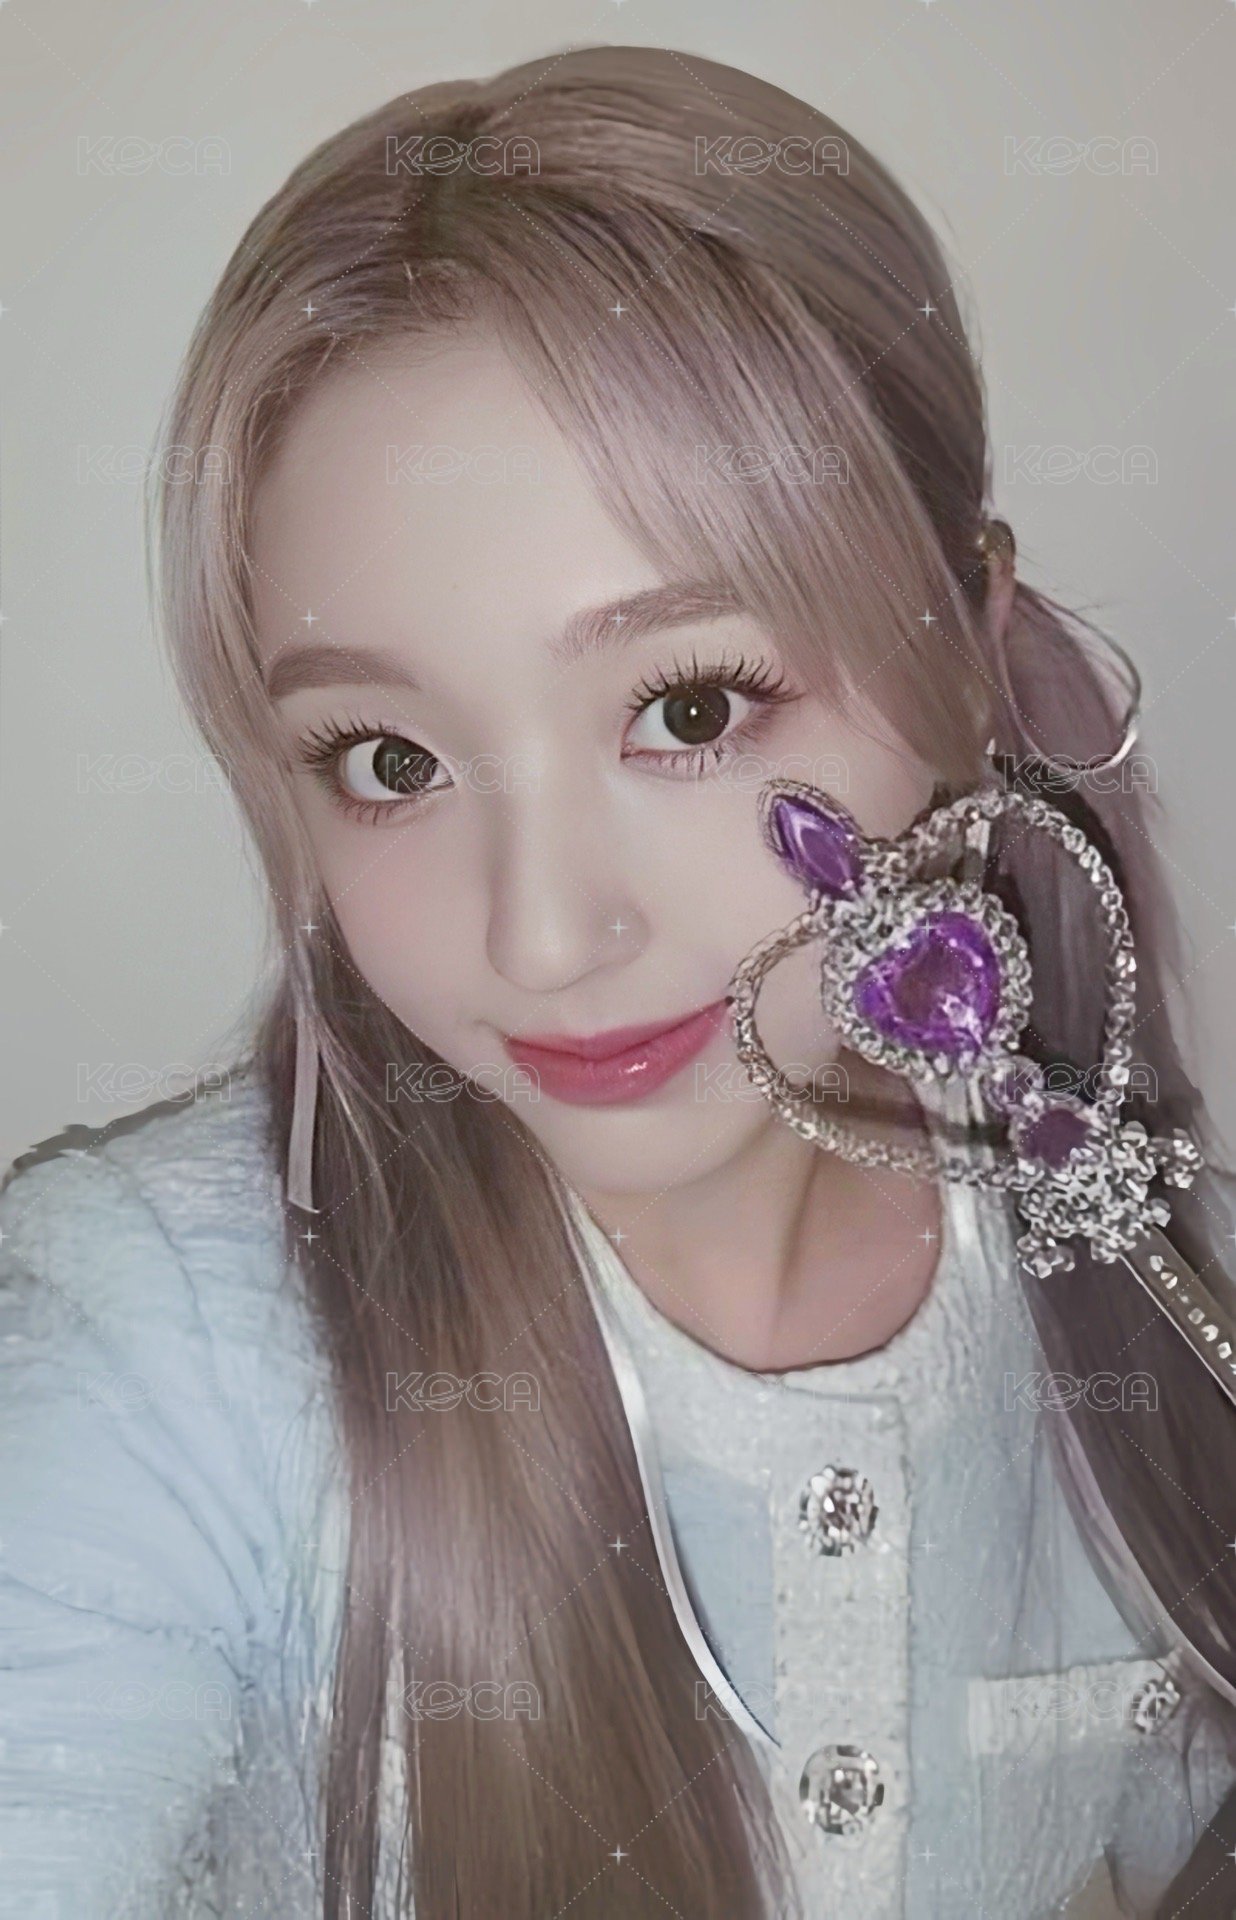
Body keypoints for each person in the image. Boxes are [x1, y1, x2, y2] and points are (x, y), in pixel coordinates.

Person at [3, 44, 1236, 1919]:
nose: (541, 938)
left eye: (690, 710)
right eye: (390, 759)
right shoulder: (157, 1354)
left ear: (970, 654)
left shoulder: (1142, 1267)